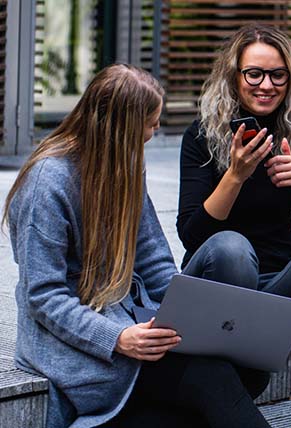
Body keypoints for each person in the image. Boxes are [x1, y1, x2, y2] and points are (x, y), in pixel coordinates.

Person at [3, 63, 271, 428]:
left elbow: (153, 257)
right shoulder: (46, 184)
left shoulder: (125, 163)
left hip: (131, 319)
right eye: (150, 122)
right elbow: (44, 296)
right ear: (122, 127)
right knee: (212, 379)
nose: (155, 131)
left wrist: (186, 317)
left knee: (248, 372)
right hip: (76, 339)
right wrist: (117, 338)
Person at [177, 23, 291, 428]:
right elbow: (191, 236)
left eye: (277, 75)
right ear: (235, 77)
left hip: (278, 291)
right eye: (254, 74)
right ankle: (233, 377)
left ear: (290, 78)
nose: (266, 85)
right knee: (231, 247)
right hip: (217, 287)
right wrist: (235, 175)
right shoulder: (202, 136)